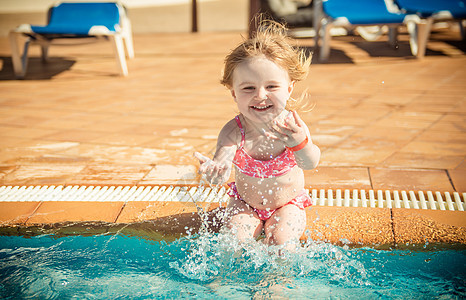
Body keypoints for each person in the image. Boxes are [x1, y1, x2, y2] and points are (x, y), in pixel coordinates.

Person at [194, 20, 320, 252]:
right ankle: (226, 284)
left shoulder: (292, 127)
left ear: (289, 89)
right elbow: (221, 167)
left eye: (271, 87)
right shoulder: (233, 131)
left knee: (282, 242)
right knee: (234, 242)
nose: (260, 96)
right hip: (245, 204)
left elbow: (310, 163)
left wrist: (300, 143)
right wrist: (214, 173)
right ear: (234, 93)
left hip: (288, 204)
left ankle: (277, 288)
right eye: (248, 88)